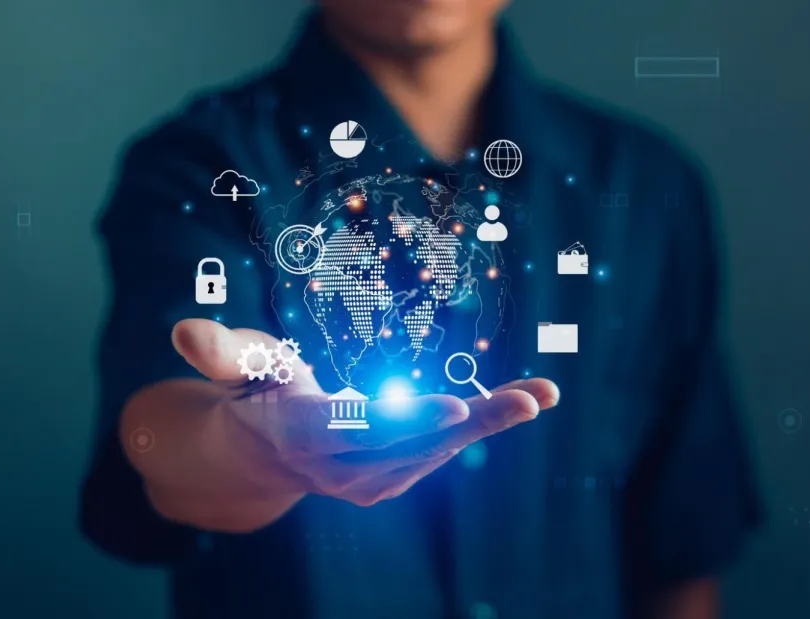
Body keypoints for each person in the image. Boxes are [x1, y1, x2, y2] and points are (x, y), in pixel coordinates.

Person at [80, 1, 761, 618]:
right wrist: (253, 446)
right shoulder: (203, 166)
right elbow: (160, 433)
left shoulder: (645, 187)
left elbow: (682, 541)